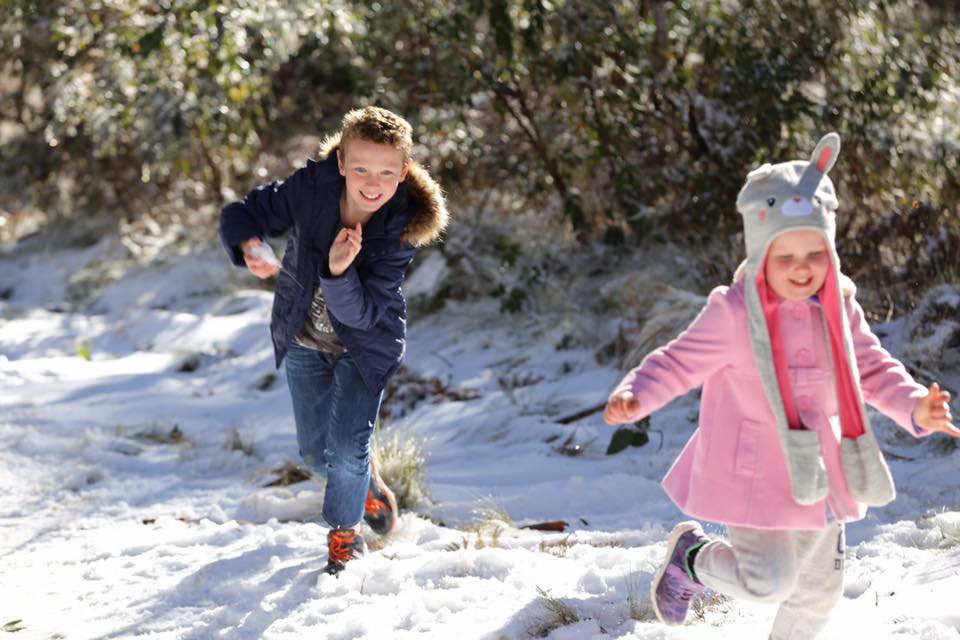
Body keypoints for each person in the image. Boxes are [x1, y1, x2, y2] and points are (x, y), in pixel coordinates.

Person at [603, 133, 957, 638]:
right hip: (753, 471)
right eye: (784, 256)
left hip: (820, 468)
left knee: (816, 597)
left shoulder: (840, 308)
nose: (801, 268)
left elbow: (872, 370)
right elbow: (679, 361)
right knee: (769, 581)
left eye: (814, 253)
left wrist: (915, 406)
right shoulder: (733, 312)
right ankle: (695, 557)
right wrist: (639, 393)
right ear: (760, 253)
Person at [219, 106, 449, 574]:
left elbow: (363, 318)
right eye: (360, 168)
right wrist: (250, 246)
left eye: (386, 172)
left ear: (403, 172)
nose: (372, 182)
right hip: (303, 337)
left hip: (364, 349)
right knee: (314, 454)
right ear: (341, 162)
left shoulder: (400, 230)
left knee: (346, 451)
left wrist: (338, 271)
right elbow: (244, 213)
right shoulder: (312, 189)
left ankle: (346, 540)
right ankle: (364, 486)